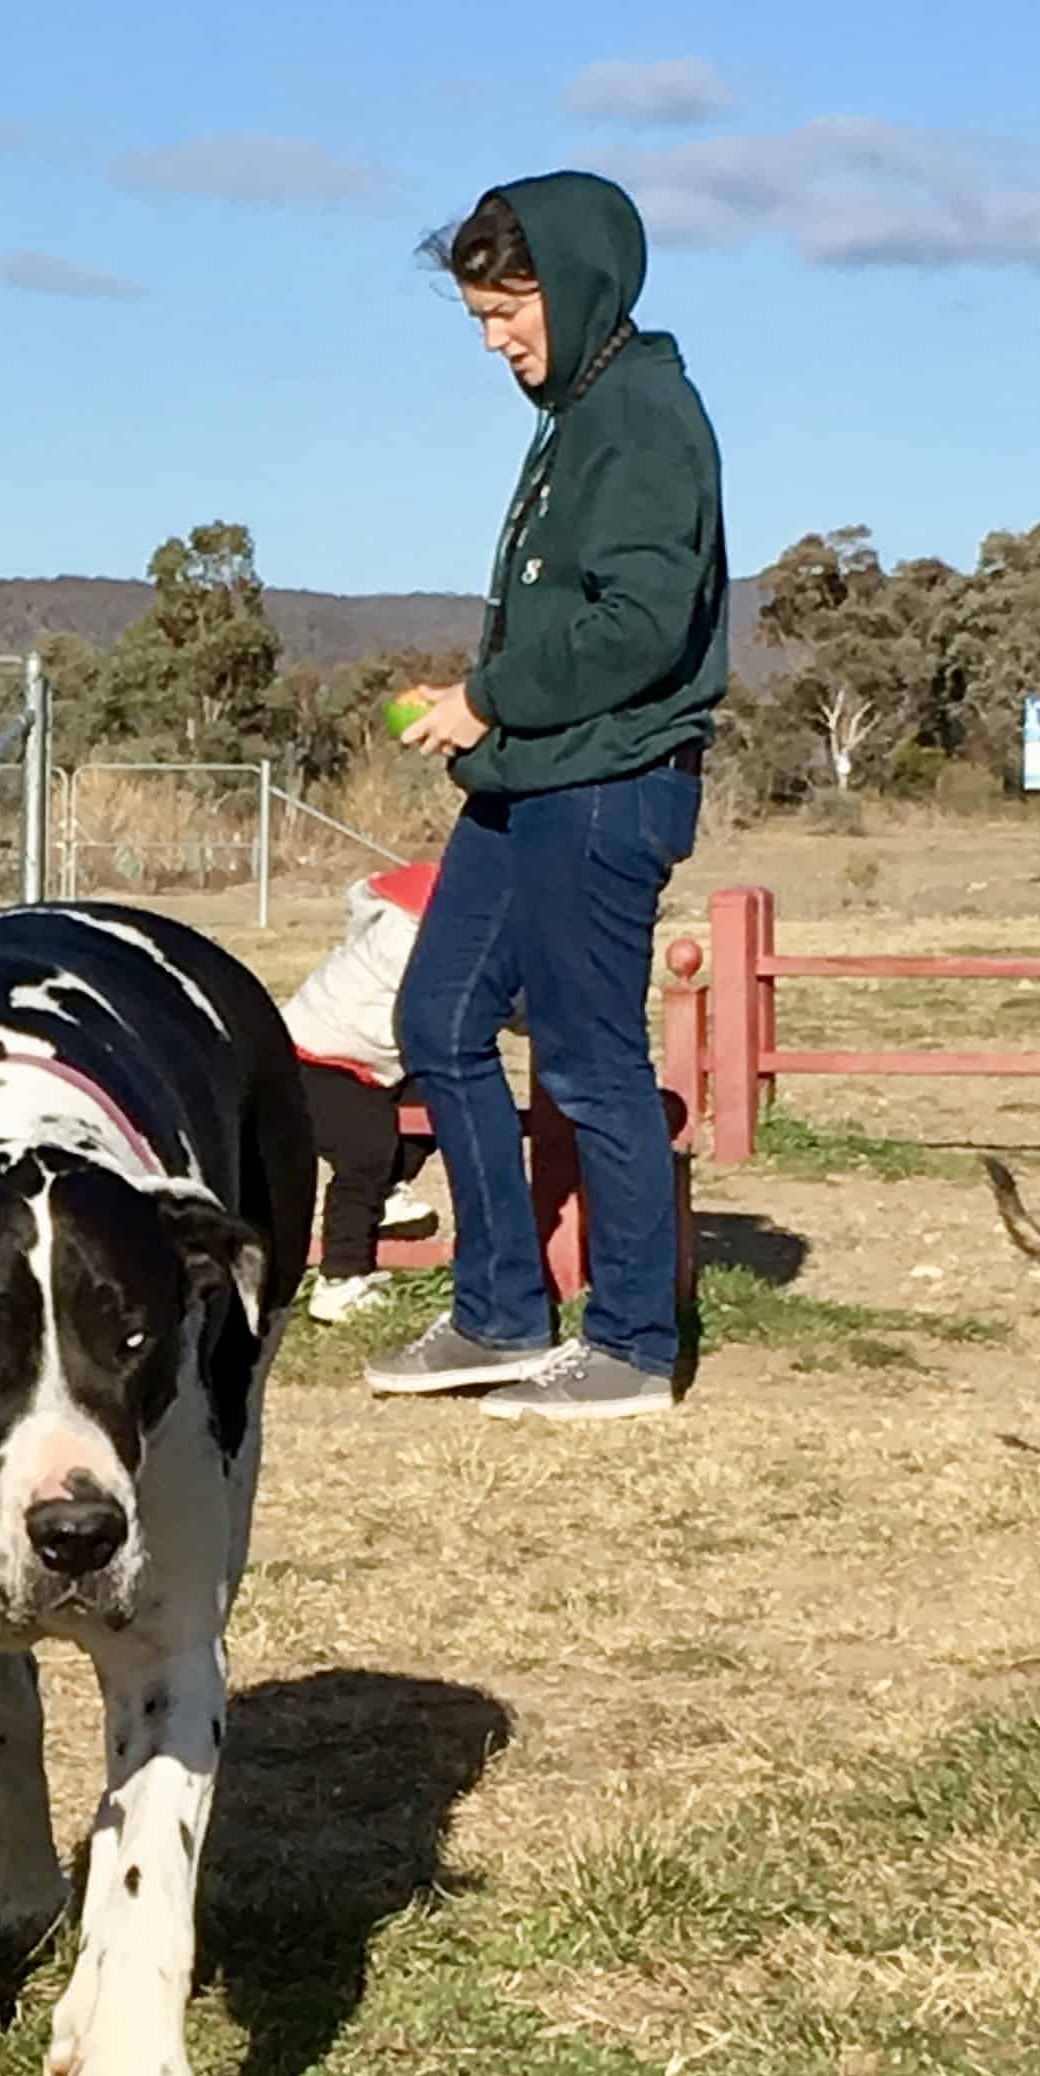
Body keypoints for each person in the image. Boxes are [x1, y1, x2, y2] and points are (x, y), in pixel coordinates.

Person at [363, 173, 727, 1424]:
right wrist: (482, 701)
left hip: (607, 785)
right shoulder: (575, 415)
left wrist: (489, 696)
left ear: (574, 286)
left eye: (509, 309)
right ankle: (500, 1312)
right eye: (480, 316)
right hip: (529, 777)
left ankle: (630, 1342)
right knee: (439, 1019)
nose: (495, 339)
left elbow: (640, 624)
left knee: (587, 1060)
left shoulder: (643, 414)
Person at [280, 859, 444, 1323]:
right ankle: (339, 1280)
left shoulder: (414, 914)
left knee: (446, 1097)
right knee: (364, 1154)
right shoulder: (411, 944)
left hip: (372, 1059)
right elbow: (467, 1001)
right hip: (313, 1055)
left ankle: (387, 1193)